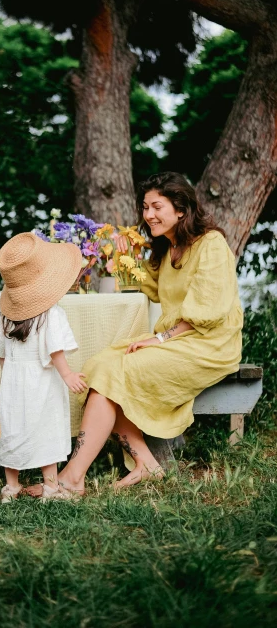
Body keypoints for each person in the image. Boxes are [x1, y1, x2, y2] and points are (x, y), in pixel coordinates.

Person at [56, 172, 243, 497]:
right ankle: (145, 465)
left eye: (157, 206)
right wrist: (112, 260)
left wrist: (159, 339)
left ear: (182, 209)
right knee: (100, 365)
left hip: (210, 345)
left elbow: (207, 312)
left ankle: (72, 478)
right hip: (177, 341)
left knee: (116, 369)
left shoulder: (211, 244)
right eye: (144, 207)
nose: (147, 215)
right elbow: (148, 286)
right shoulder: (167, 249)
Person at [0, 231, 88, 502]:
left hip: (14, 378)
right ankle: (51, 487)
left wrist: (8, 376)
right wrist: (66, 374)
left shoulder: (4, 316)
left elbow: (0, 351)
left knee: (14, 431)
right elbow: (54, 347)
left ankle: (11, 487)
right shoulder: (51, 313)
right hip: (43, 379)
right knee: (47, 429)